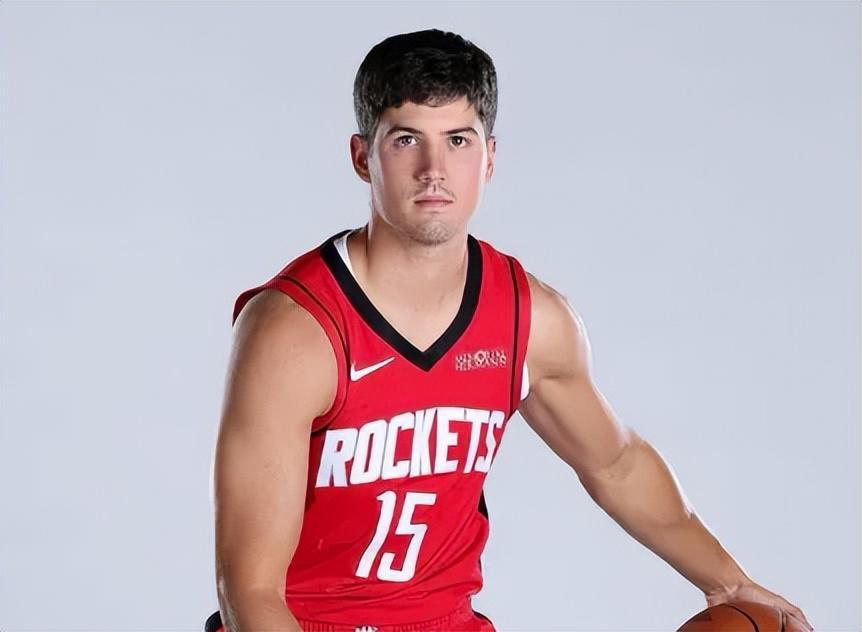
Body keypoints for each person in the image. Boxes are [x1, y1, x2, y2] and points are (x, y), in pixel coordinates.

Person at [206, 29, 814, 632]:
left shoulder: (529, 318)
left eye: (458, 140)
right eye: (407, 139)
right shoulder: (295, 331)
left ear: (489, 158)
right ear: (363, 157)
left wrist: (728, 582)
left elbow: (615, 464)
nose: (434, 170)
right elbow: (251, 591)